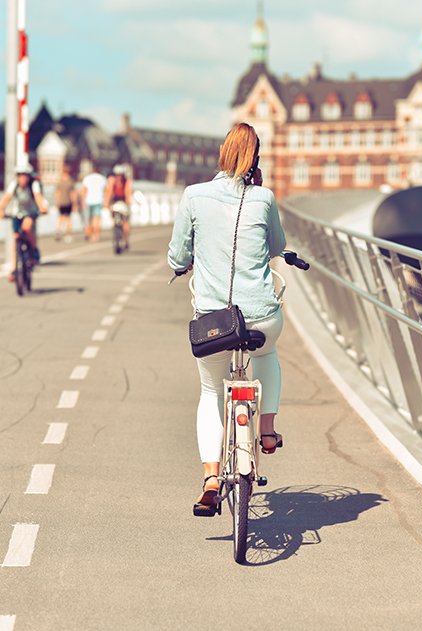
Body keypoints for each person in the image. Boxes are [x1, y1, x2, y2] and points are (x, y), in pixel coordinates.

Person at [167, 123, 287, 515]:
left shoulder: (193, 196)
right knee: (267, 356)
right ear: (254, 158)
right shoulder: (264, 197)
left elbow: (178, 256)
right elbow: (278, 246)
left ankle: (211, 479)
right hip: (259, 317)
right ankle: (266, 430)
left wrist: (183, 265)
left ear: (222, 152)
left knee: (210, 392)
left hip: (214, 322)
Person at [0, 165, 48, 281]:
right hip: (17, 212)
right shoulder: (14, 185)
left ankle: (34, 250)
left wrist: (42, 207)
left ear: (28, 177)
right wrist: (0, 209)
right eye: (20, 176)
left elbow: (38, 197)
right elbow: (6, 197)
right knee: (16, 239)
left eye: (24, 176)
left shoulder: (33, 185)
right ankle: (14, 269)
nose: (22, 179)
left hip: (30, 212)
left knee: (27, 227)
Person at [104, 163, 132, 250]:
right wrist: (107, 203)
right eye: (117, 175)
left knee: (125, 220)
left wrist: (127, 203)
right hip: (115, 201)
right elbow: (108, 192)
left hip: (123, 201)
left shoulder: (127, 182)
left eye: (120, 175)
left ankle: (125, 238)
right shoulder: (112, 180)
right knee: (113, 216)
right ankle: (115, 227)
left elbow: (128, 193)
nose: (119, 177)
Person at [53, 164, 78, 243]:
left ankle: (58, 230)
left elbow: (57, 193)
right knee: (68, 219)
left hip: (61, 202)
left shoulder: (59, 181)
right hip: (68, 202)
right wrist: (75, 203)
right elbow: (72, 193)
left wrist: (57, 202)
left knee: (61, 217)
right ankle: (67, 235)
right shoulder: (70, 181)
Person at [81, 168, 107, 242]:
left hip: (88, 200)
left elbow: (84, 191)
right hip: (98, 200)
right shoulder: (102, 178)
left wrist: (82, 201)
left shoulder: (87, 178)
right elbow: (106, 190)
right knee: (96, 218)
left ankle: (88, 233)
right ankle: (96, 235)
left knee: (89, 218)